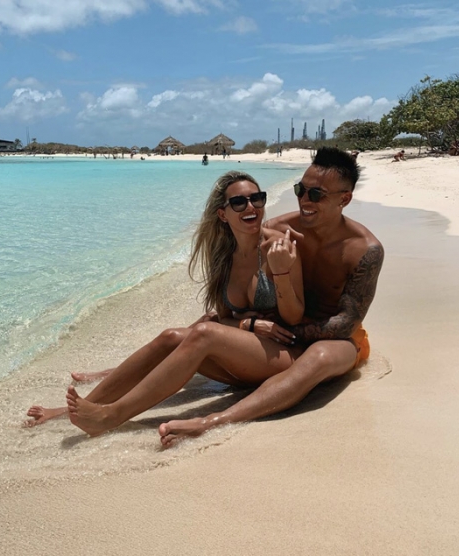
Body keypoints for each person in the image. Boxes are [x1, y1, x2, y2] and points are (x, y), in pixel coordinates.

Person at [26, 170, 305, 431]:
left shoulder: (278, 247)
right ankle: (77, 408)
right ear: (223, 214)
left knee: (204, 332)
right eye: (239, 202)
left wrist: (280, 271)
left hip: (281, 356)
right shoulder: (223, 256)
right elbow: (224, 318)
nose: (251, 207)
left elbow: (294, 317)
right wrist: (249, 324)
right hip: (244, 357)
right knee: (170, 336)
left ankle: (111, 416)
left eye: (257, 198)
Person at [158, 147, 383, 446]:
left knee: (319, 356)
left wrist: (286, 332)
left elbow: (346, 322)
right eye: (300, 190)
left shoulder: (364, 249)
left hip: (338, 341)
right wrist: (247, 323)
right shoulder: (278, 229)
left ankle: (212, 421)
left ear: (344, 199)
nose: (304, 200)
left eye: (316, 194)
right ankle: (131, 374)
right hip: (284, 330)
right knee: (206, 324)